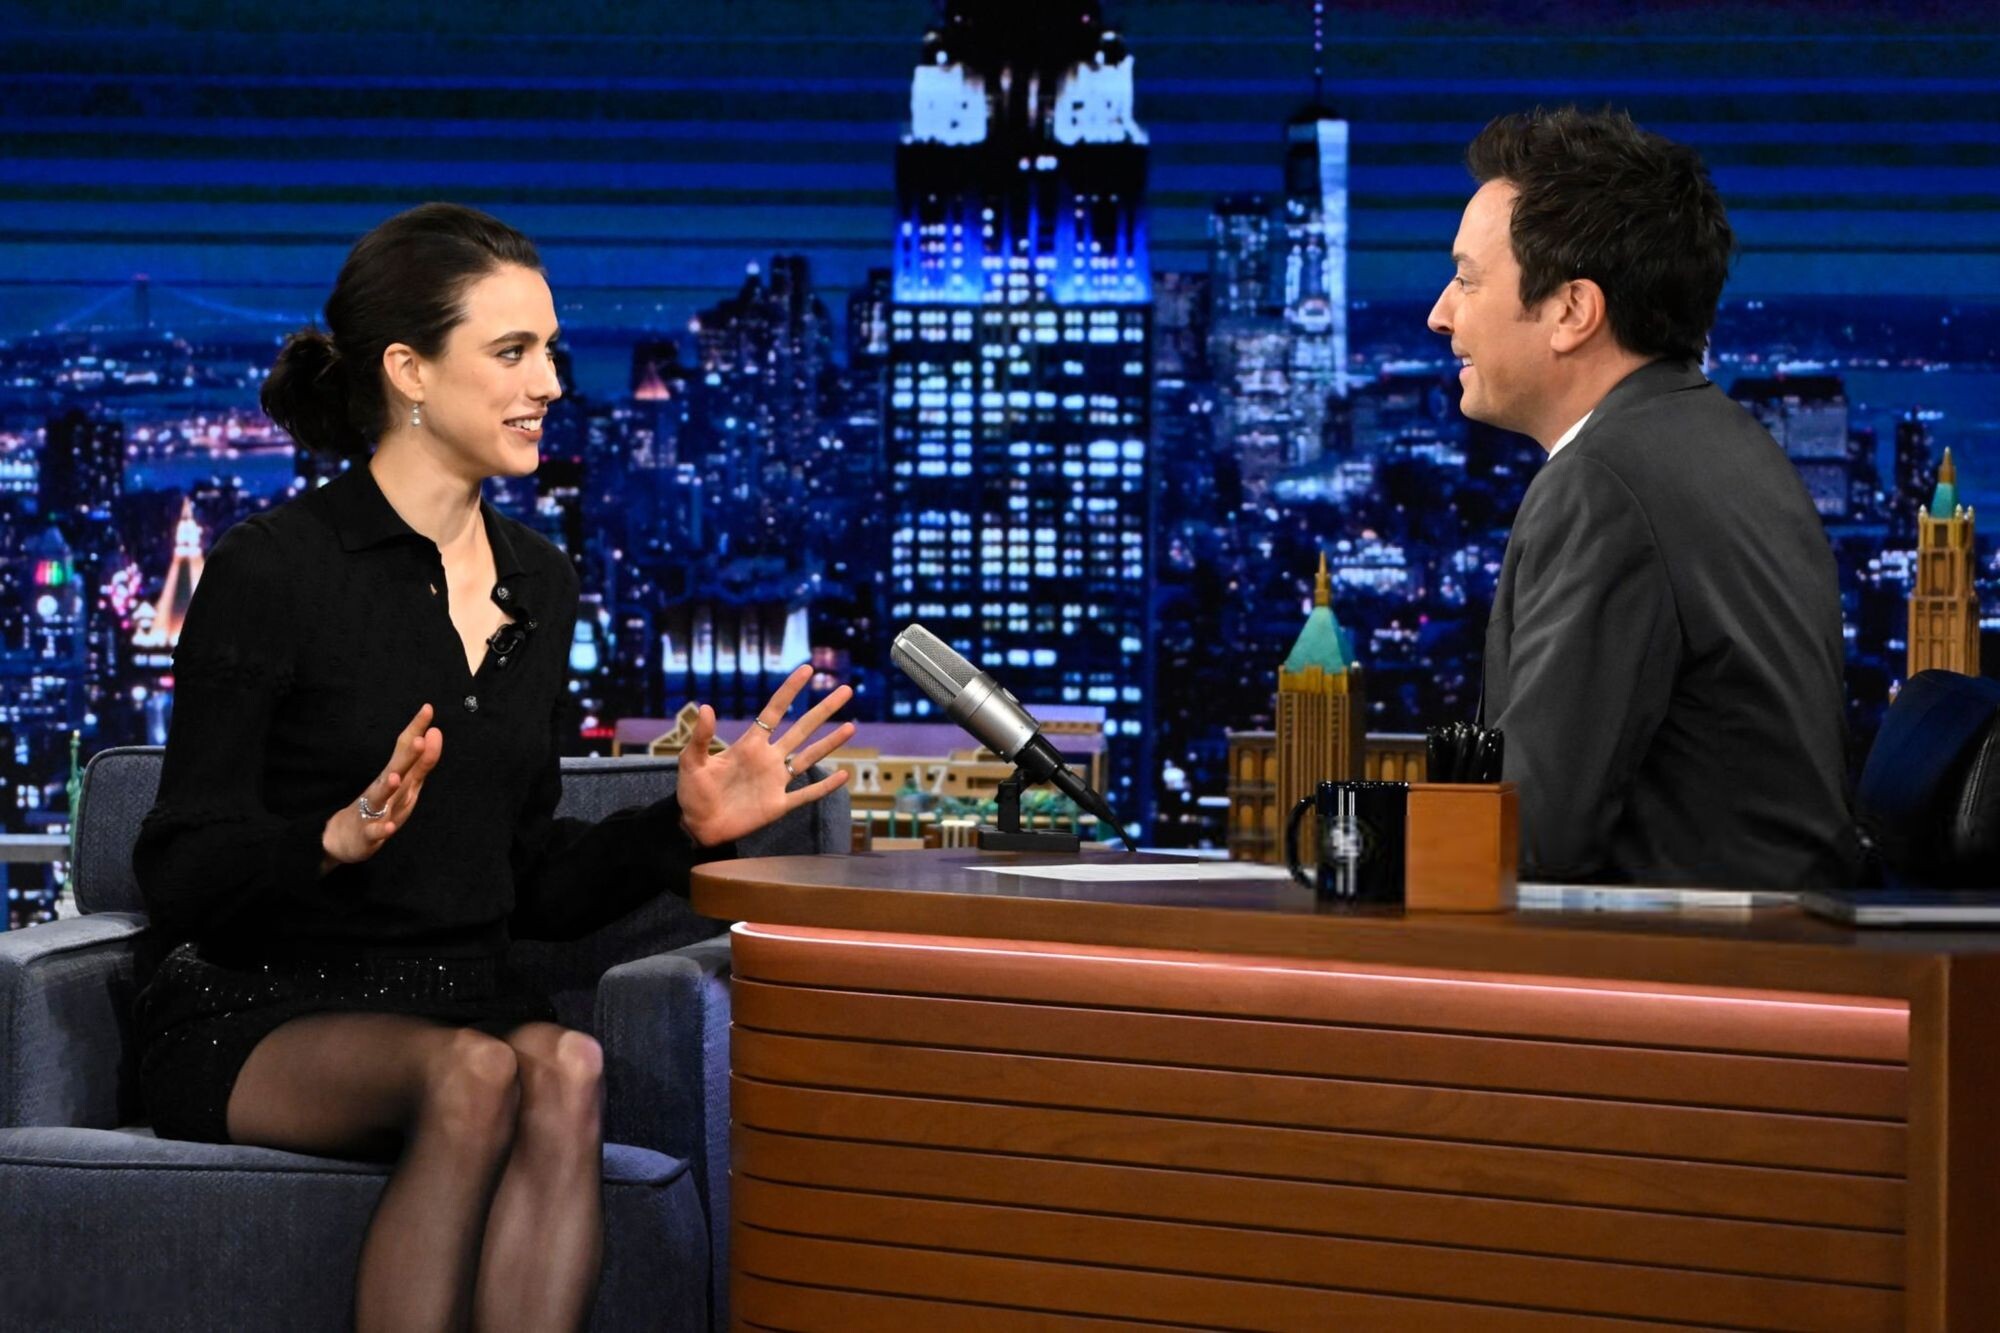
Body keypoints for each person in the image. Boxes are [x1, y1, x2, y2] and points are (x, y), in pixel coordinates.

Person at [131, 202, 854, 1332]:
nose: (551, 384)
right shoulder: (271, 569)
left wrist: (684, 827)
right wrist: (332, 838)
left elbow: (530, 879)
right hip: (267, 1007)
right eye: (512, 352)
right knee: (477, 1074)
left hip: (465, 997)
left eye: (550, 351)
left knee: (565, 1065)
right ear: (409, 371)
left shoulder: (541, 581)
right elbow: (178, 868)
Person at [1426, 108, 1857, 888]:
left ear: (1572, 312)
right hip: (1767, 936)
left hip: (1673, 953)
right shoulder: (1725, 443)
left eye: (1467, 279)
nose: (1441, 313)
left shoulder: (1604, 485)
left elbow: (1530, 835)